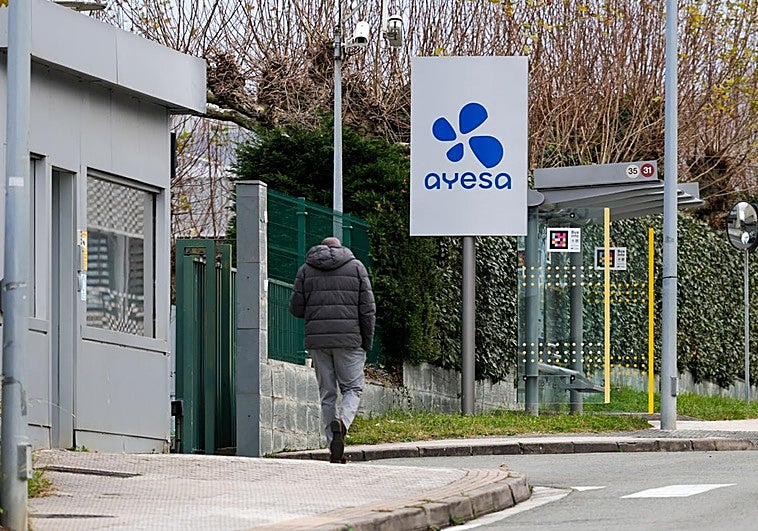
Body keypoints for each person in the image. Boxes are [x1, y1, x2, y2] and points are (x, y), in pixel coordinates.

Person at [288, 236, 376, 463]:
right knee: (353, 388)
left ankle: (332, 447)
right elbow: (368, 310)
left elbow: (296, 308)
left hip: (318, 342)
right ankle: (343, 424)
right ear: (340, 247)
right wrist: (366, 342)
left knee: (327, 394)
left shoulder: (306, 269)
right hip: (349, 340)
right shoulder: (356, 267)